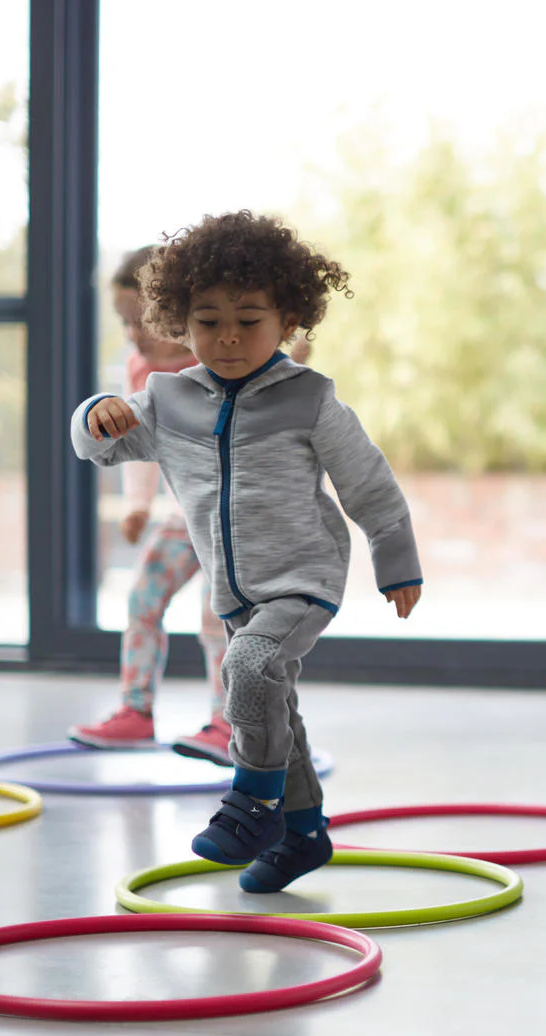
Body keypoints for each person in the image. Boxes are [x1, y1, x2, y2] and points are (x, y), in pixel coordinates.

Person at [71, 210, 422, 892]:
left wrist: (395, 557)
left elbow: (368, 483)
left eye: (249, 319)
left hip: (303, 577)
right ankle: (303, 835)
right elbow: (101, 449)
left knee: (249, 666)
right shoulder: (168, 400)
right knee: (273, 704)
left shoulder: (309, 399)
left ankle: (254, 802)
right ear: (181, 323)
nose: (227, 335)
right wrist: (94, 414)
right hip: (234, 590)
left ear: (287, 321)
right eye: (208, 320)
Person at [68, 246, 233, 766]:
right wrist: (137, 504)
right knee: (142, 598)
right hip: (185, 516)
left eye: (141, 321)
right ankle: (135, 711)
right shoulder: (139, 370)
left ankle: (230, 724)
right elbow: (134, 441)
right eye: (124, 323)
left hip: (233, 522)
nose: (132, 334)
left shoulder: (220, 361)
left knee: (219, 618)